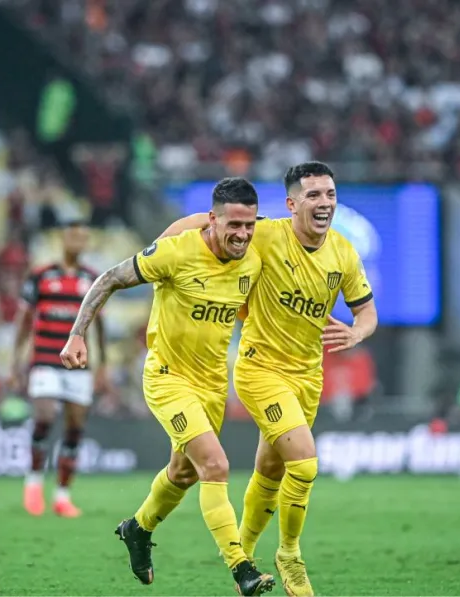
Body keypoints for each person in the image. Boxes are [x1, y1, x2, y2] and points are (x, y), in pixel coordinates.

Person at [158, 162, 377, 596]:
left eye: (330, 194)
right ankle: (290, 554)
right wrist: (160, 248)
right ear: (292, 204)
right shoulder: (266, 234)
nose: (325, 203)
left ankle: (244, 560)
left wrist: (357, 331)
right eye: (314, 195)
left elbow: (366, 311)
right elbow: (206, 221)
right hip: (260, 369)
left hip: (306, 375)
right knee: (305, 463)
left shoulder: (343, 253)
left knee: (271, 469)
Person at [60, 177, 275, 596]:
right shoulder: (176, 251)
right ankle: (242, 568)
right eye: (233, 225)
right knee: (215, 466)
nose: (242, 234)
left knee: (183, 472)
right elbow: (109, 278)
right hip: (168, 378)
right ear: (212, 220)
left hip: (213, 384)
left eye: (249, 225)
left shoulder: (252, 260)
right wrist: (77, 334)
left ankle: (137, 529)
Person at [11, 219, 107, 517]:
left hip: (78, 364)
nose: (78, 242)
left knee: (75, 427)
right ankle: (34, 483)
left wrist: (103, 365)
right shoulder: (40, 275)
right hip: (45, 358)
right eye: (73, 236)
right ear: (62, 239)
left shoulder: (93, 279)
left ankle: (62, 496)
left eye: (83, 238)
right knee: (45, 416)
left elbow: (99, 325)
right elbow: (24, 320)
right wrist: (16, 360)